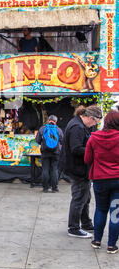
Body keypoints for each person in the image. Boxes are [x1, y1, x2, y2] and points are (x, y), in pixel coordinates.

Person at [63, 105, 102, 238]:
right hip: (77, 168)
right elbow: (76, 148)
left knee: (85, 197)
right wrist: (94, 151)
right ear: (91, 118)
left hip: (81, 168)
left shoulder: (78, 124)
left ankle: (85, 222)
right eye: (95, 122)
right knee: (79, 197)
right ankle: (73, 227)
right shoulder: (77, 127)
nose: (94, 125)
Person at [84, 110, 119, 254]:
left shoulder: (94, 137)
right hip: (117, 180)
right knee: (115, 212)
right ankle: (111, 245)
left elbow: (87, 160)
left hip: (99, 179)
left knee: (100, 209)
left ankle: (96, 241)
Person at [36, 115, 64, 193]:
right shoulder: (58, 130)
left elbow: (38, 141)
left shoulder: (42, 129)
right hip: (56, 152)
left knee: (45, 169)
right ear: (56, 121)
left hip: (45, 152)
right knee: (54, 169)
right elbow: (62, 141)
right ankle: (54, 188)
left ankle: (45, 188)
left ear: (48, 120)